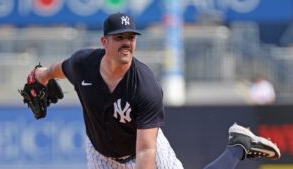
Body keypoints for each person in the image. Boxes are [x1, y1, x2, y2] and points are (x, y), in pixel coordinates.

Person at [33, 12, 280, 169]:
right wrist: (41, 75)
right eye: (120, 37)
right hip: (101, 154)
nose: (127, 42)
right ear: (104, 42)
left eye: (131, 37)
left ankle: (238, 146)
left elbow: (146, 150)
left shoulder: (145, 86)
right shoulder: (82, 65)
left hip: (142, 147)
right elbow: (58, 69)